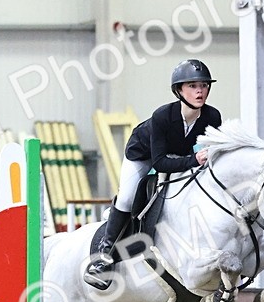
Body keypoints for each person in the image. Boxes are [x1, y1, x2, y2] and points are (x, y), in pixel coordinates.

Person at [83, 59, 222, 289]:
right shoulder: (162, 116)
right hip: (143, 154)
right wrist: (193, 160)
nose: (200, 91)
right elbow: (159, 162)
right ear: (179, 90)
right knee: (127, 197)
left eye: (204, 85)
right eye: (192, 86)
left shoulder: (212, 117)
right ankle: (104, 253)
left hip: (179, 155)